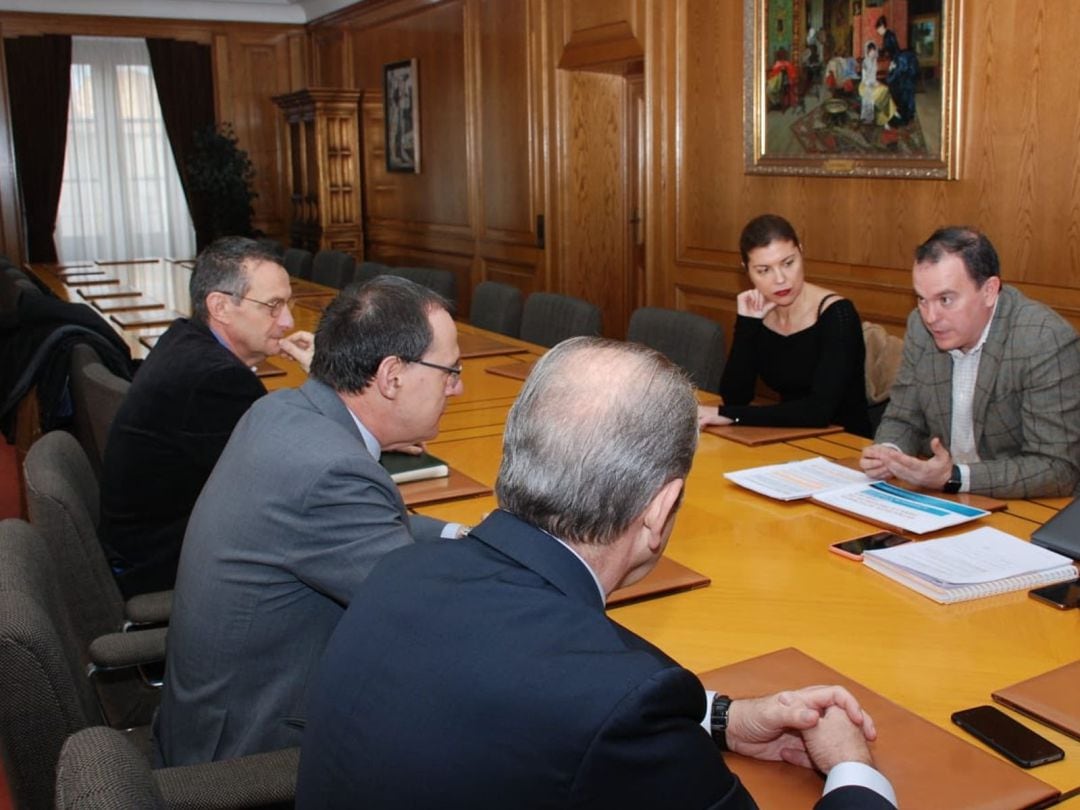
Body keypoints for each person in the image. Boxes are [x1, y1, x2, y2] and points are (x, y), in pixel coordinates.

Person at [297, 337, 896, 809]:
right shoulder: (621, 708)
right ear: (659, 511)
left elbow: (520, 690)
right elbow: (585, 706)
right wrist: (852, 768)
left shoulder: (402, 572)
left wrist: (721, 718)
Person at [155, 276, 467, 766]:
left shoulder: (280, 409)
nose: (458, 387)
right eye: (449, 371)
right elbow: (428, 618)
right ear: (391, 377)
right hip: (253, 751)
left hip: (211, 711)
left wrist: (462, 536)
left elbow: (374, 532)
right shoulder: (332, 472)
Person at [98, 236, 312, 597]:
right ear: (221, 307)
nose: (287, 321)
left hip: (151, 539)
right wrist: (332, 386)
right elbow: (293, 478)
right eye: (273, 306)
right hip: (166, 564)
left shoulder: (185, 339)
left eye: (287, 304)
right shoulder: (215, 380)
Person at [861, 226, 1080, 498]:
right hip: (948, 501)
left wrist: (955, 477)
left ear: (989, 291)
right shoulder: (920, 327)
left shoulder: (1042, 340)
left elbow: (1058, 469)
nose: (930, 317)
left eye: (945, 299)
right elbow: (903, 418)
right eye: (922, 299)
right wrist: (889, 454)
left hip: (1028, 506)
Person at [699, 214, 872, 437]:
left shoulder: (837, 314)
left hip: (844, 442)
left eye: (788, 263)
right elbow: (735, 396)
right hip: (786, 436)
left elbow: (818, 411)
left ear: (801, 250)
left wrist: (731, 414)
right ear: (746, 270)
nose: (780, 279)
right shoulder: (759, 315)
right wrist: (746, 324)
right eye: (764, 270)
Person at [876, 15, 919, 127]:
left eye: (878, 29)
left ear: (882, 26)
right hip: (897, 60)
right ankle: (899, 112)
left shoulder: (888, 35)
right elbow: (888, 51)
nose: (878, 32)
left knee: (894, 84)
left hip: (900, 62)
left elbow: (894, 50)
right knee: (896, 85)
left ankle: (901, 114)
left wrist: (893, 64)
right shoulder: (887, 35)